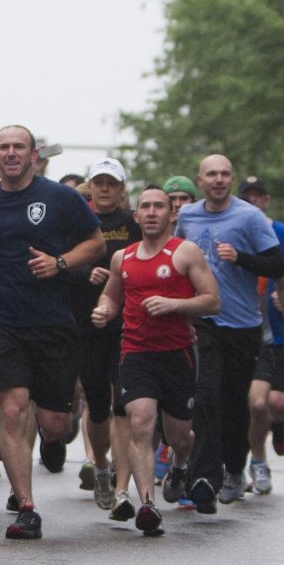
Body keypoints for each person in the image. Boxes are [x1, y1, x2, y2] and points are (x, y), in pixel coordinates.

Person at [0, 125, 105, 540]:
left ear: (34, 156)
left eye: (20, 147)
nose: (12, 153)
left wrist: (61, 263)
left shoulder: (60, 198)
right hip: (0, 322)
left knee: (53, 422)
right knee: (11, 411)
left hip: (53, 323)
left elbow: (96, 242)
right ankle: (26, 507)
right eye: (4, 148)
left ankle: (53, 440)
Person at [91, 186, 221, 534]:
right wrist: (104, 311)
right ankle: (147, 503)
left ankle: (179, 463)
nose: (151, 212)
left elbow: (212, 301)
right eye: (144, 207)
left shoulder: (185, 253)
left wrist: (175, 304)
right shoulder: (124, 258)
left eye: (158, 207)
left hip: (178, 353)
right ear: (136, 215)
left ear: (170, 214)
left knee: (180, 435)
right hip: (135, 352)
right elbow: (112, 295)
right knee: (140, 422)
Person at [174, 154, 284, 510]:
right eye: (212, 174)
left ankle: (235, 470)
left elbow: (278, 264)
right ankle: (205, 475)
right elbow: (174, 257)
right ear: (200, 180)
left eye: (225, 174)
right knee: (205, 396)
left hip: (242, 324)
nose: (219, 180)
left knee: (235, 405)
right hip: (204, 321)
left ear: (232, 179)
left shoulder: (249, 217)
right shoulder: (188, 216)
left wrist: (241, 258)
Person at [71, 158, 140, 510]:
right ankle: (100, 466)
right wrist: (86, 273)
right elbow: (58, 266)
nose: (104, 189)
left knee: (124, 407)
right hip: (87, 327)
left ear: (121, 189)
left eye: (111, 183)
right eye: (98, 182)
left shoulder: (132, 224)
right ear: (90, 185)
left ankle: (123, 488)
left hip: (128, 328)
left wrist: (120, 279)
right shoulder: (76, 221)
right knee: (97, 408)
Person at [238, 175, 284, 492]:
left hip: (276, 333)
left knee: (275, 403)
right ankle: (244, 463)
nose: (253, 200)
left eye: (258, 196)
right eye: (247, 196)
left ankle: (278, 426)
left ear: (267, 200)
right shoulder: (231, 233)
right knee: (250, 404)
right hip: (238, 331)